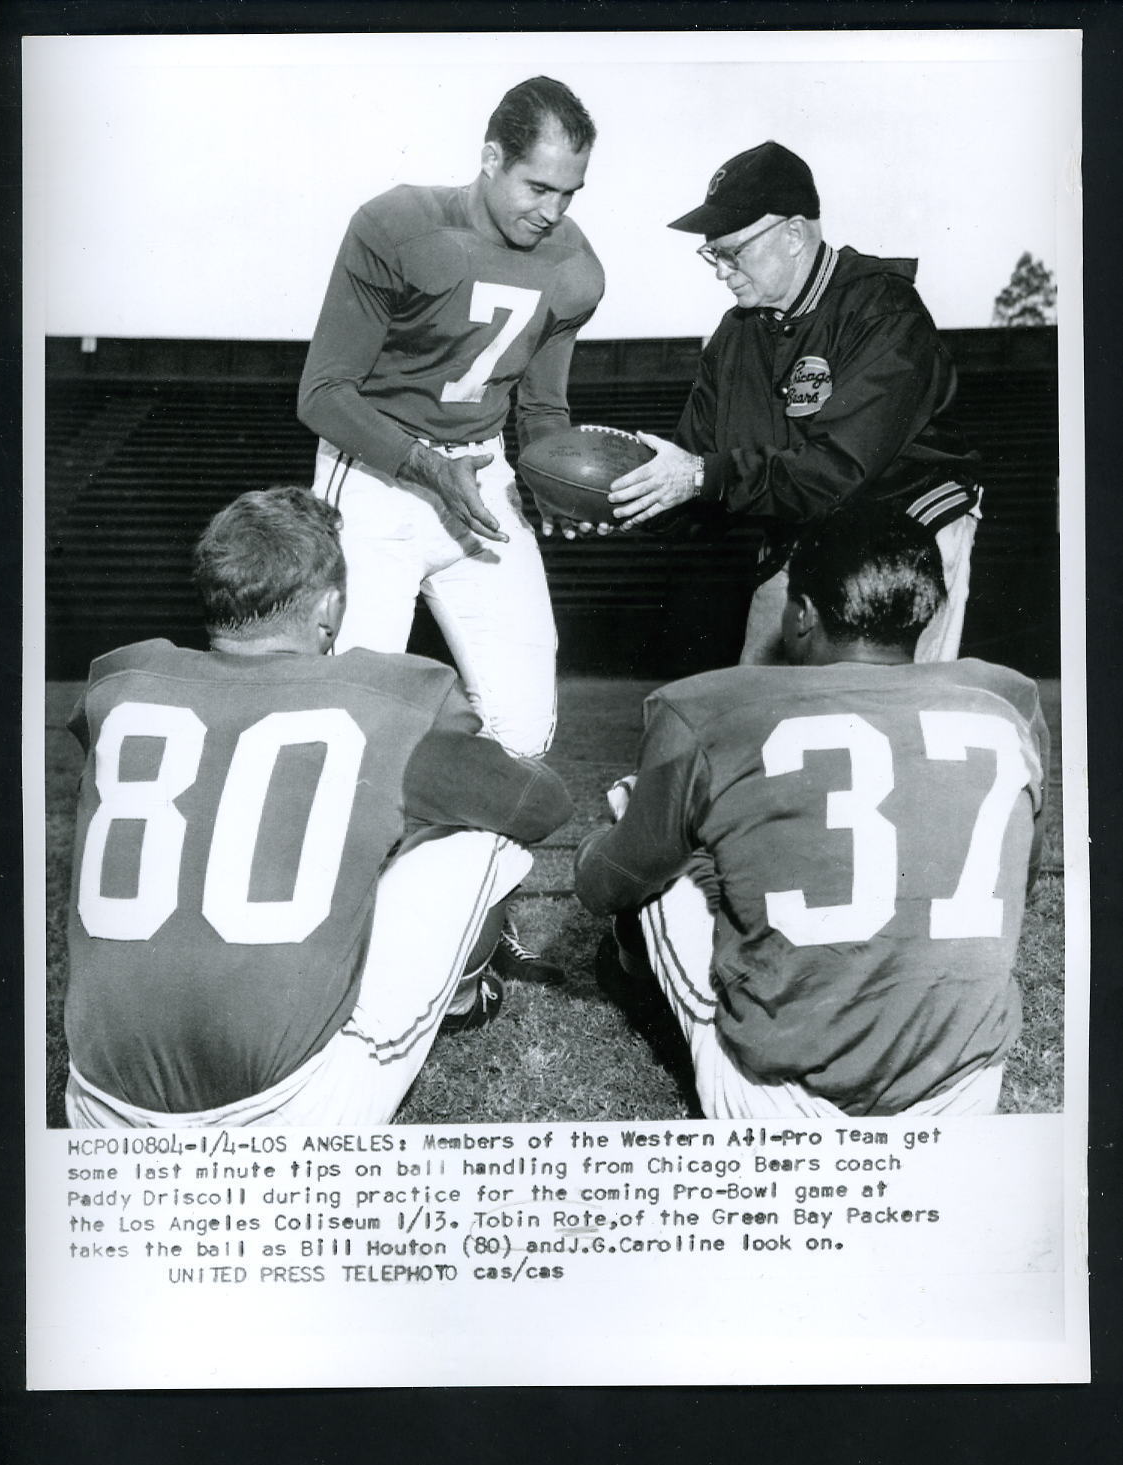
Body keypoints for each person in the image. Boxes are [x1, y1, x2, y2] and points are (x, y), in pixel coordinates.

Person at [63, 487, 572, 1128]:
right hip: (286, 1113)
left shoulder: (117, 684)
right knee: (483, 833)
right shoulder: (387, 695)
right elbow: (540, 805)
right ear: (329, 607)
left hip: (99, 1106)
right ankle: (467, 997)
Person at [575, 501, 1048, 1118]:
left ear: (799, 615)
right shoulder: (1005, 700)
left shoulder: (708, 708)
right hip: (960, 1089)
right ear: (927, 613)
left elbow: (607, 882)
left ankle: (631, 969)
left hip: (786, 1100)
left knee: (643, 804)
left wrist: (607, 847)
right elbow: (1025, 877)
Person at [297, 75, 604, 985]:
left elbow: (542, 410)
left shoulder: (577, 270)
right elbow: (322, 394)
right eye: (536, 186)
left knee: (524, 721)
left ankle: (478, 927)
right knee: (349, 718)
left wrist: (556, 480)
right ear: (489, 159)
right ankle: (331, 932)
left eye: (570, 192)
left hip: (483, 476)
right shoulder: (396, 226)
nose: (552, 211)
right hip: (377, 477)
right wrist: (425, 467)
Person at [605, 141, 982, 665]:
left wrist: (696, 476)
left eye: (734, 252)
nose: (721, 270)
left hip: (906, 537)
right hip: (802, 537)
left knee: (893, 718)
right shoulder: (735, 337)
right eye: (714, 253)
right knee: (764, 714)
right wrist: (619, 500)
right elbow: (698, 465)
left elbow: (837, 469)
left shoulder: (883, 310)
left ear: (794, 234)